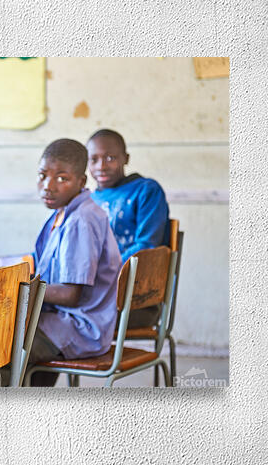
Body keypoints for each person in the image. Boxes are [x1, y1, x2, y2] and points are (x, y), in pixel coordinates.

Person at [24, 139, 121, 387]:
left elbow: (70, 295)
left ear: (81, 182)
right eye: (42, 175)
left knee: (1, 345)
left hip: (80, 327)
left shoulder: (81, 220)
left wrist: (23, 288)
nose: (48, 186)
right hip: (61, 319)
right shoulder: (63, 213)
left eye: (62, 178)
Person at [86, 128, 170, 329]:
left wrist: (99, 273)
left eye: (110, 157)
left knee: (57, 318)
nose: (102, 166)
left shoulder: (146, 190)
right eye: (94, 159)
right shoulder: (88, 200)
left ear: (126, 158)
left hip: (136, 301)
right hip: (92, 296)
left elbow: (146, 246)